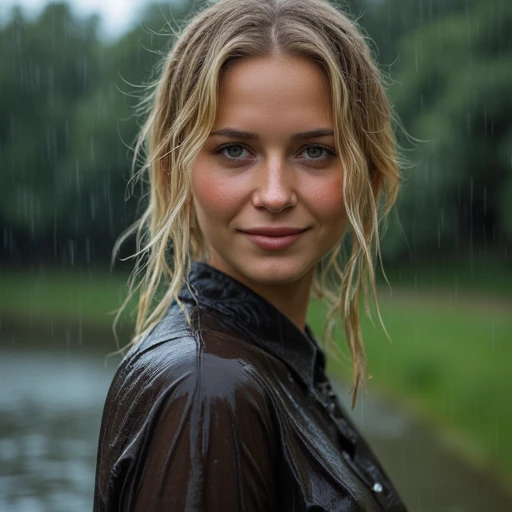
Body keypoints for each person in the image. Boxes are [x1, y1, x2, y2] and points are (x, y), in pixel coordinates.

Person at [94, 0, 407, 510]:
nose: (276, 194)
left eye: (315, 151)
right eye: (235, 150)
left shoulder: (271, 365)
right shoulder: (207, 389)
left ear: (366, 174)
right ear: (178, 170)